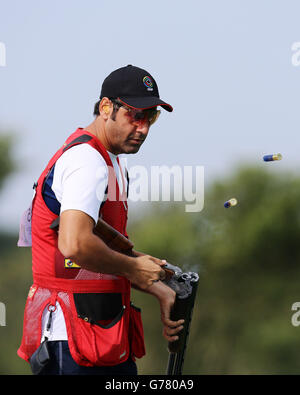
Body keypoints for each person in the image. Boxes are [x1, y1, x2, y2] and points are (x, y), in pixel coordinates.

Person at [17, 65, 184, 375]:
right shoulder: (86, 160)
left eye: (151, 118)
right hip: (72, 341)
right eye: (135, 115)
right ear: (107, 107)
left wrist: (155, 285)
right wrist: (135, 267)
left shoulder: (112, 162)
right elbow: (75, 244)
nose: (144, 128)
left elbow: (101, 249)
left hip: (98, 336)